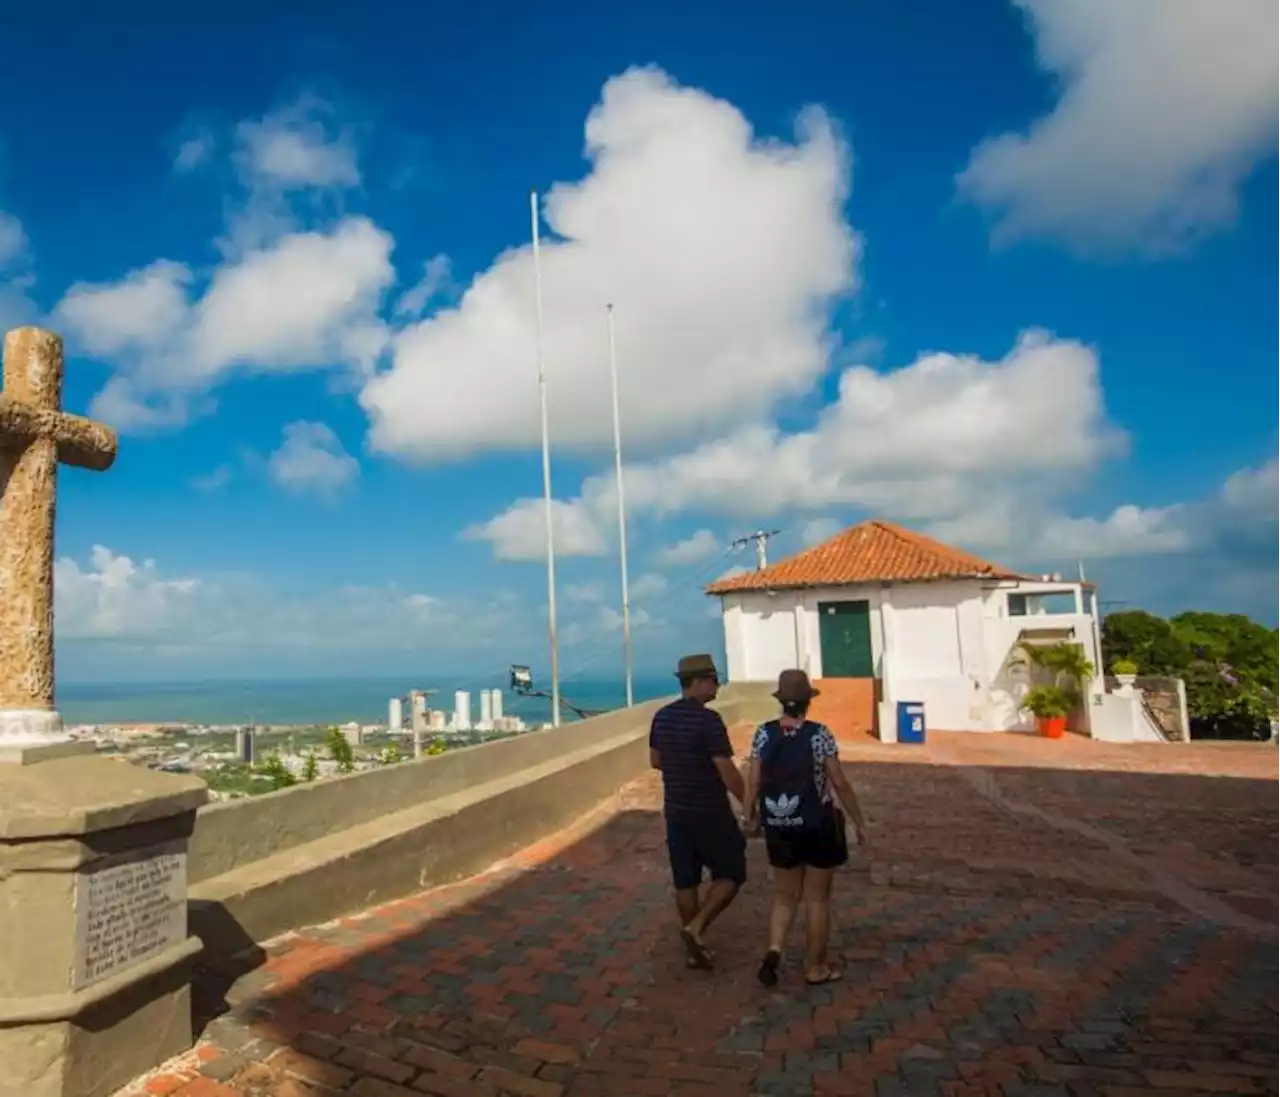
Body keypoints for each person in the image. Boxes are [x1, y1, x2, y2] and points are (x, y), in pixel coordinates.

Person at [743, 669, 868, 988]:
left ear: (781, 702)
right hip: (817, 823)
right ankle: (816, 967)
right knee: (817, 899)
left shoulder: (762, 734)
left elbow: (754, 780)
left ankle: (774, 951)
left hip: (779, 823)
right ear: (808, 702)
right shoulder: (819, 734)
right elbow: (838, 781)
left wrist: (749, 815)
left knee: (784, 896)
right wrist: (858, 820)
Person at [648, 653, 747, 970]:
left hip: (676, 810)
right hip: (710, 811)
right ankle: (696, 927)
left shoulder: (661, 717)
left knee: (685, 881)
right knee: (732, 873)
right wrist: (749, 801)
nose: (717, 687)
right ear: (700, 681)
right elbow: (725, 768)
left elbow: (656, 761)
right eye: (715, 680)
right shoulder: (709, 720)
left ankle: (695, 949)